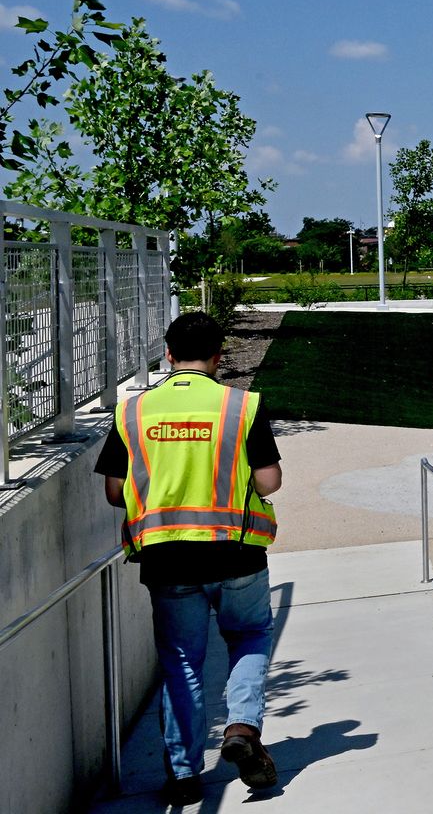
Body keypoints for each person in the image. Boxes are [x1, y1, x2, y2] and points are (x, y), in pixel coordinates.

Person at [96, 311, 282, 804]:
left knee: (181, 662)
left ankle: (182, 775)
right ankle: (241, 726)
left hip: (167, 559)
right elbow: (268, 482)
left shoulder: (133, 411)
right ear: (219, 357)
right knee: (249, 635)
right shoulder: (241, 406)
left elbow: (117, 491)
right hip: (236, 553)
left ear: (168, 354)